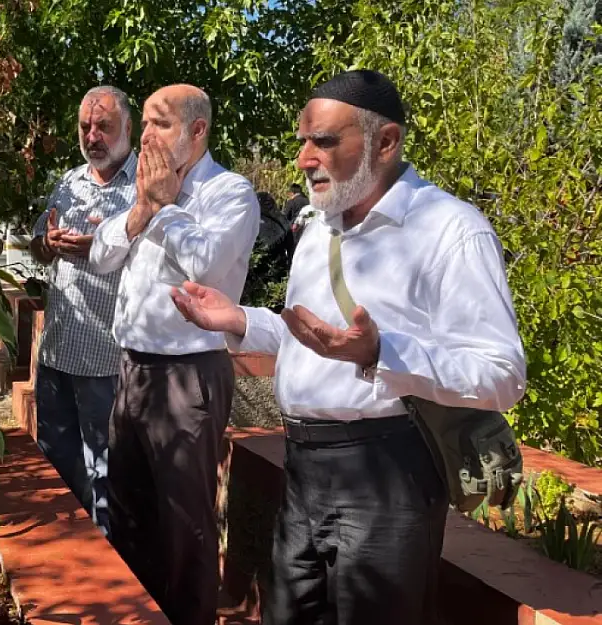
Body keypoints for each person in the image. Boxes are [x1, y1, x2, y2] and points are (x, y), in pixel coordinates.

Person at [170, 70, 527, 625]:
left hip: (387, 473)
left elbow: (503, 373)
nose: (304, 159)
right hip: (303, 470)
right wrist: (239, 318)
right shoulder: (319, 229)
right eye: (302, 142)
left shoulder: (450, 229)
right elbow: (312, 339)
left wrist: (382, 354)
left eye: (325, 141)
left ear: (386, 142)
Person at [88, 84, 260, 625]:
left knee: (185, 524)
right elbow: (99, 256)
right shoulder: (145, 191)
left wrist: (161, 208)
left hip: (189, 377)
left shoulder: (229, 193)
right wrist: (141, 208)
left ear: (197, 131)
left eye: (160, 124)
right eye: (144, 124)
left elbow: (205, 267)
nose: (146, 137)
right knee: (129, 511)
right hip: (133, 371)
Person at [28, 85, 137, 537]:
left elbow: (159, 262)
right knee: (55, 463)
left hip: (105, 359)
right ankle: (66, 555)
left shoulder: (145, 189)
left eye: (104, 127)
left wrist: (101, 247)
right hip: (56, 353)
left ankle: (110, 569)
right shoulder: (68, 183)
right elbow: (36, 247)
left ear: (129, 129)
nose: (92, 136)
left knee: (105, 473)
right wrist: (47, 245)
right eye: (85, 126)